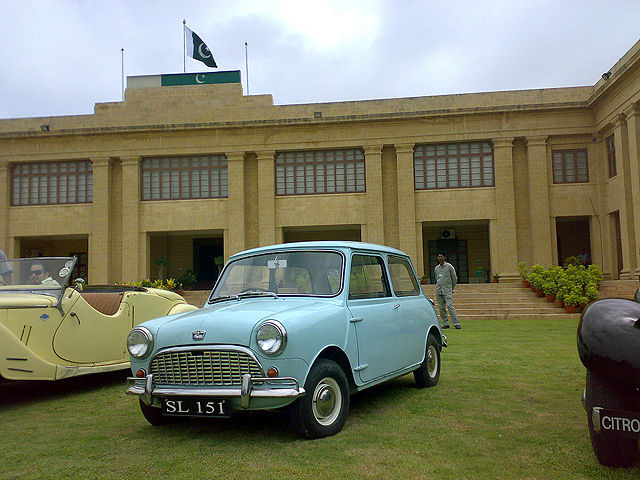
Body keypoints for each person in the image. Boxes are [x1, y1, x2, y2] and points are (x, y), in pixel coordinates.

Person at [434, 251, 460, 329]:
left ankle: (456, 323)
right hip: (439, 290)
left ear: (444, 258)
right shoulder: (436, 268)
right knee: (441, 307)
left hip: (447, 289)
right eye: (438, 256)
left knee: (449, 305)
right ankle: (445, 323)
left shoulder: (449, 266)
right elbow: (437, 278)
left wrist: (451, 288)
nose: (439, 258)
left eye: (441, 256)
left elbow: (454, 278)